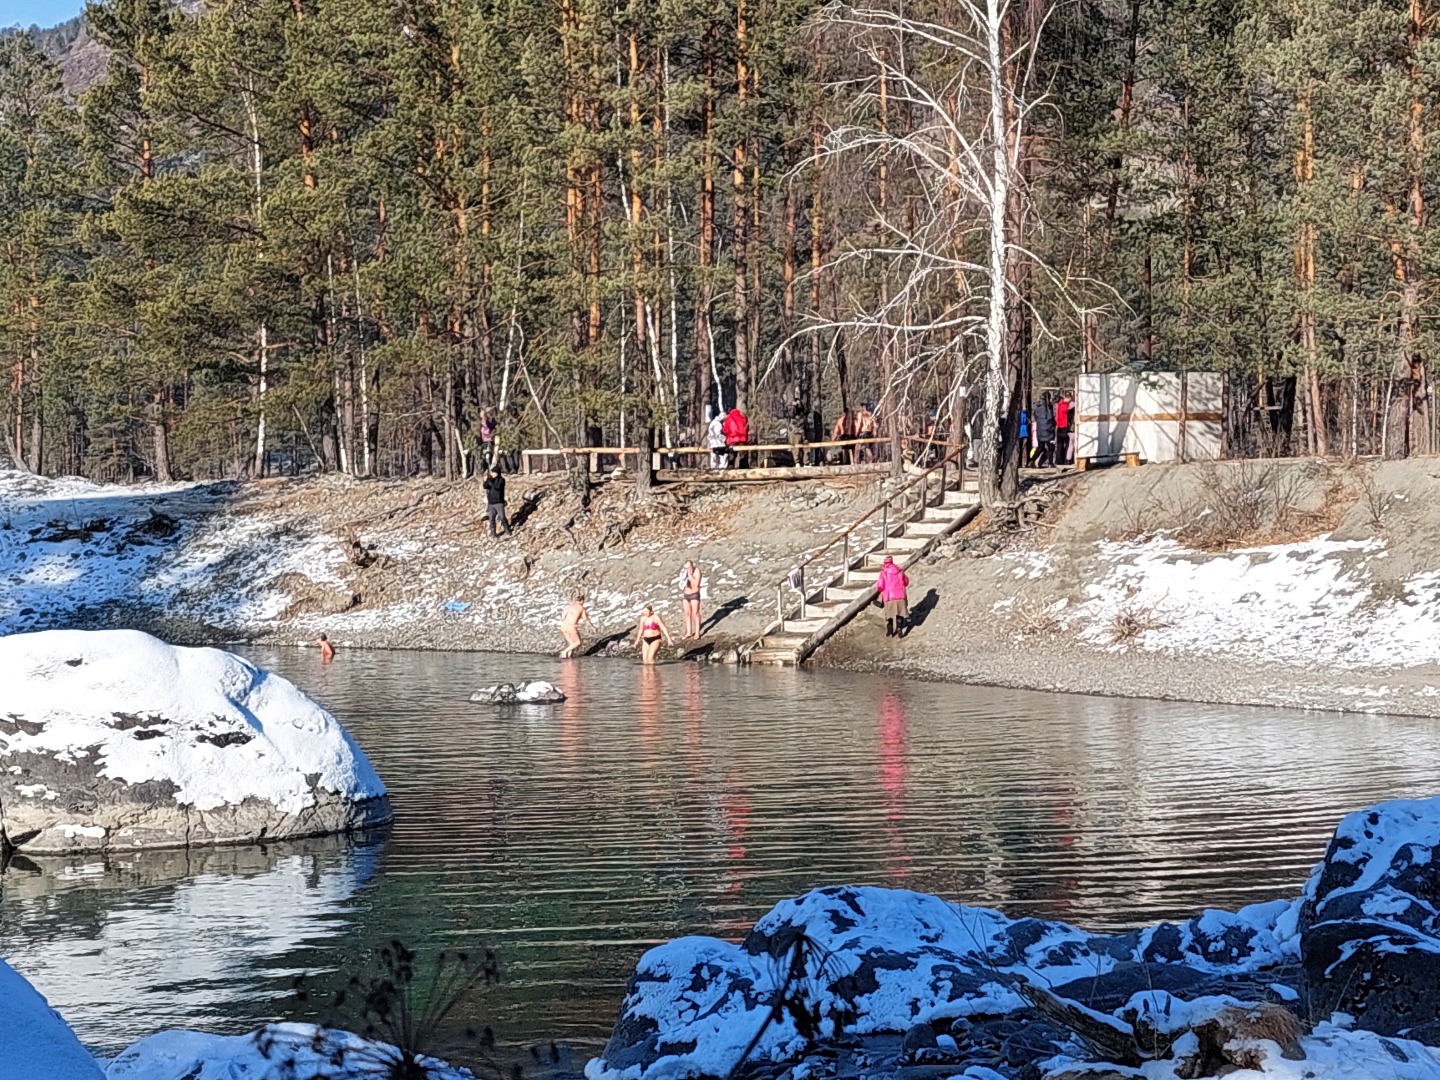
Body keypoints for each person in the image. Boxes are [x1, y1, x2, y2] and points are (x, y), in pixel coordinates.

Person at [877, 555, 910, 638]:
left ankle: (890, 630)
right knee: (900, 613)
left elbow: (880, 585)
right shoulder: (899, 570)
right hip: (900, 596)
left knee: (889, 614)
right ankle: (899, 628)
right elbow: (906, 581)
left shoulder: (883, 572)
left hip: (889, 597)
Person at [559, 593, 591, 658]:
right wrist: (591, 626)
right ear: (581, 600)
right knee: (577, 643)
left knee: (572, 644)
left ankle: (569, 657)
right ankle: (564, 652)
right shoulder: (581, 608)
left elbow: (563, 617)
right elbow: (586, 619)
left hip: (563, 626)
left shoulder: (569, 606)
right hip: (571, 627)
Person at [482, 466, 510, 538]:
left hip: (499, 502)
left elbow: (497, 487)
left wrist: (490, 481)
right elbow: (485, 486)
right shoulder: (490, 480)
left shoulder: (501, 480)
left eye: (493, 472)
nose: (492, 474)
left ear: (497, 473)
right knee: (491, 519)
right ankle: (493, 533)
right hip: (491, 503)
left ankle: (507, 530)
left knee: (502, 517)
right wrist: (486, 480)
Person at [679, 561, 703, 639]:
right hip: (686, 594)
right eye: (686, 568)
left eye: (689, 568)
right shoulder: (684, 573)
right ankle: (689, 632)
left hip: (694, 594)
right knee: (687, 613)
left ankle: (697, 632)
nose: (687, 570)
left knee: (695, 613)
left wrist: (689, 575)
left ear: (692, 566)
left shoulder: (697, 571)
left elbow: (696, 584)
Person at [1033, 392, 1056, 468]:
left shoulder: (1037, 407)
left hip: (1040, 431)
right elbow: (1050, 419)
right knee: (1050, 448)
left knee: (1040, 447)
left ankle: (1032, 460)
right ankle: (1050, 462)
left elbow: (1036, 417)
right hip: (1048, 431)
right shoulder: (1049, 408)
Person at [1055, 391, 1073, 464]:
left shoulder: (1059, 404)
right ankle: (1066, 459)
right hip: (1065, 427)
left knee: (1060, 445)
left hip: (1059, 426)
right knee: (1067, 445)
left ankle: (1059, 460)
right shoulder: (1067, 406)